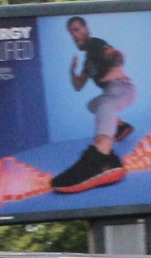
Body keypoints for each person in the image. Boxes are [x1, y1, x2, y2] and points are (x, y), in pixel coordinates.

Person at [53, 16, 133, 193]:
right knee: (93, 104)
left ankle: (101, 155)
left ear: (86, 28)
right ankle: (120, 127)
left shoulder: (96, 44)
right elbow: (79, 85)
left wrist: (115, 70)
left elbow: (117, 55)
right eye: (71, 33)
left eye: (76, 29)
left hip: (122, 87)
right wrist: (72, 71)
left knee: (105, 104)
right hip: (112, 91)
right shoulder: (89, 61)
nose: (74, 35)